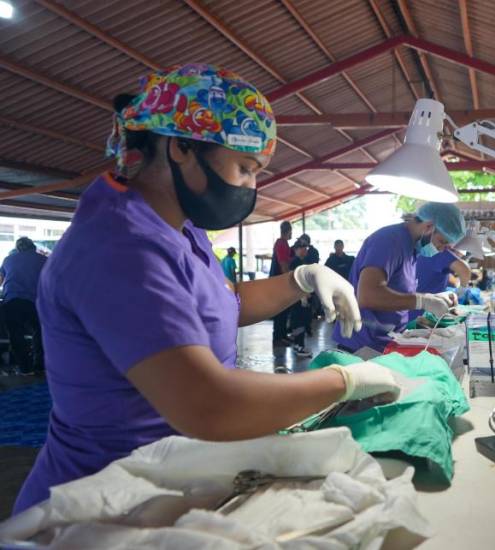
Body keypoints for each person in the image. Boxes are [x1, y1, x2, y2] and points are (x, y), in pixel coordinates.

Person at [13, 64, 400, 514]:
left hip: (171, 480)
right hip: (102, 504)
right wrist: (343, 381)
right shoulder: (118, 248)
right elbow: (208, 404)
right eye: (244, 167)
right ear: (181, 147)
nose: (251, 187)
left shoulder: (180, 229)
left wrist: (301, 280)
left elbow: (223, 303)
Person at [333, 202, 466, 353]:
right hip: (362, 346)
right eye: (442, 242)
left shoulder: (412, 248)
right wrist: (423, 301)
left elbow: (396, 292)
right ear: (429, 227)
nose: (442, 249)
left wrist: (433, 298)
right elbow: (368, 296)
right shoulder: (389, 241)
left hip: (386, 341)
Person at [0, 237, 47, 375]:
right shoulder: (43, 260)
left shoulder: (9, 259)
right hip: (35, 302)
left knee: (16, 335)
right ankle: (40, 366)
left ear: (18, 248)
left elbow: (1, 279)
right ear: (33, 246)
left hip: (12, 301)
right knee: (40, 333)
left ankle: (24, 368)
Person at [412, 246, 471, 319]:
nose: (459, 259)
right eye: (459, 257)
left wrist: (454, 290)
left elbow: (444, 276)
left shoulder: (426, 251)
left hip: (414, 307)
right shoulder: (441, 253)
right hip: (421, 313)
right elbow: (465, 270)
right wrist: (462, 288)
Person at [287, 240, 313, 358]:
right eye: (302, 248)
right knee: (299, 321)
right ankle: (299, 346)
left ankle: (298, 344)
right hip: (298, 296)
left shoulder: (302, 262)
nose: (305, 250)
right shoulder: (295, 262)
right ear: (296, 249)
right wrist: (302, 293)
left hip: (301, 295)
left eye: (306, 248)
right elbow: (295, 280)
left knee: (301, 320)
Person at [271, 221, 293, 345]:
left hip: (280, 280)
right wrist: (288, 280)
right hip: (279, 281)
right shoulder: (281, 243)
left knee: (284, 309)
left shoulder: (284, 243)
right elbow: (283, 264)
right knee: (280, 310)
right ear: (288, 231)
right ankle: (277, 338)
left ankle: (283, 334)